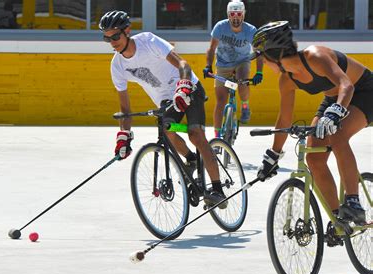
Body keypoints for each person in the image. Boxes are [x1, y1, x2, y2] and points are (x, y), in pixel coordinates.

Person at [100, 10, 228, 207]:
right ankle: (191, 159)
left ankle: (218, 189)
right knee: (168, 130)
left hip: (189, 88)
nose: (112, 42)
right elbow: (125, 108)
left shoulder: (148, 42)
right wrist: (123, 136)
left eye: (115, 36)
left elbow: (182, 64)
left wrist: (183, 86)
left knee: (195, 134)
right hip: (167, 101)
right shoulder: (117, 66)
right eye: (106, 38)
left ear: (127, 31)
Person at [252, 20, 372, 225]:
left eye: (262, 57)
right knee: (314, 156)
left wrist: (336, 113)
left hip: (364, 91)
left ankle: (353, 202)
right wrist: (273, 155)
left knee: (337, 135)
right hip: (333, 99)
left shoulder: (315, 56)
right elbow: (285, 118)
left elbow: (346, 85)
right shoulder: (286, 80)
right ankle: (338, 219)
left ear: (274, 54)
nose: (261, 62)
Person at [204, 0, 263, 138]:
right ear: (228, 15)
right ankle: (217, 137)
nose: (235, 17)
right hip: (223, 65)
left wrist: (259, 72)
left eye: (238, 13)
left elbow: (259, 52)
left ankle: (245, 105)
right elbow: (211, 48)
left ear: (243, 15)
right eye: (232, 14)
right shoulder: (220, 27)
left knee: (242, 81)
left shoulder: (251, 30)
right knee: (220, 102)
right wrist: (208, 66)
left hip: (242, 62)